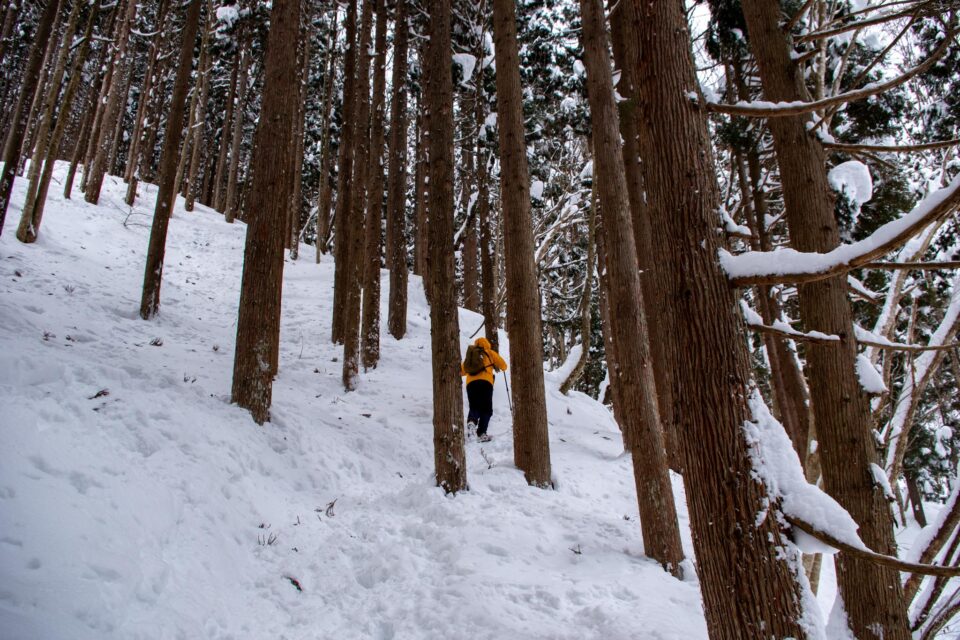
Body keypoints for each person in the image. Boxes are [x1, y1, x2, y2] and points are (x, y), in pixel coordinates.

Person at [460, 337, 507, 442]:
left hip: (471, 384)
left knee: (474, 405)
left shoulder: (471, 355)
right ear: (487, 344)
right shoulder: (489, 352)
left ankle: (472, 422)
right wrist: (500, 367)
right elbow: (503, 365)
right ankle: (481, 433)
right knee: (486, 409)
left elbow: (462, 371)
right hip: (486, 383)